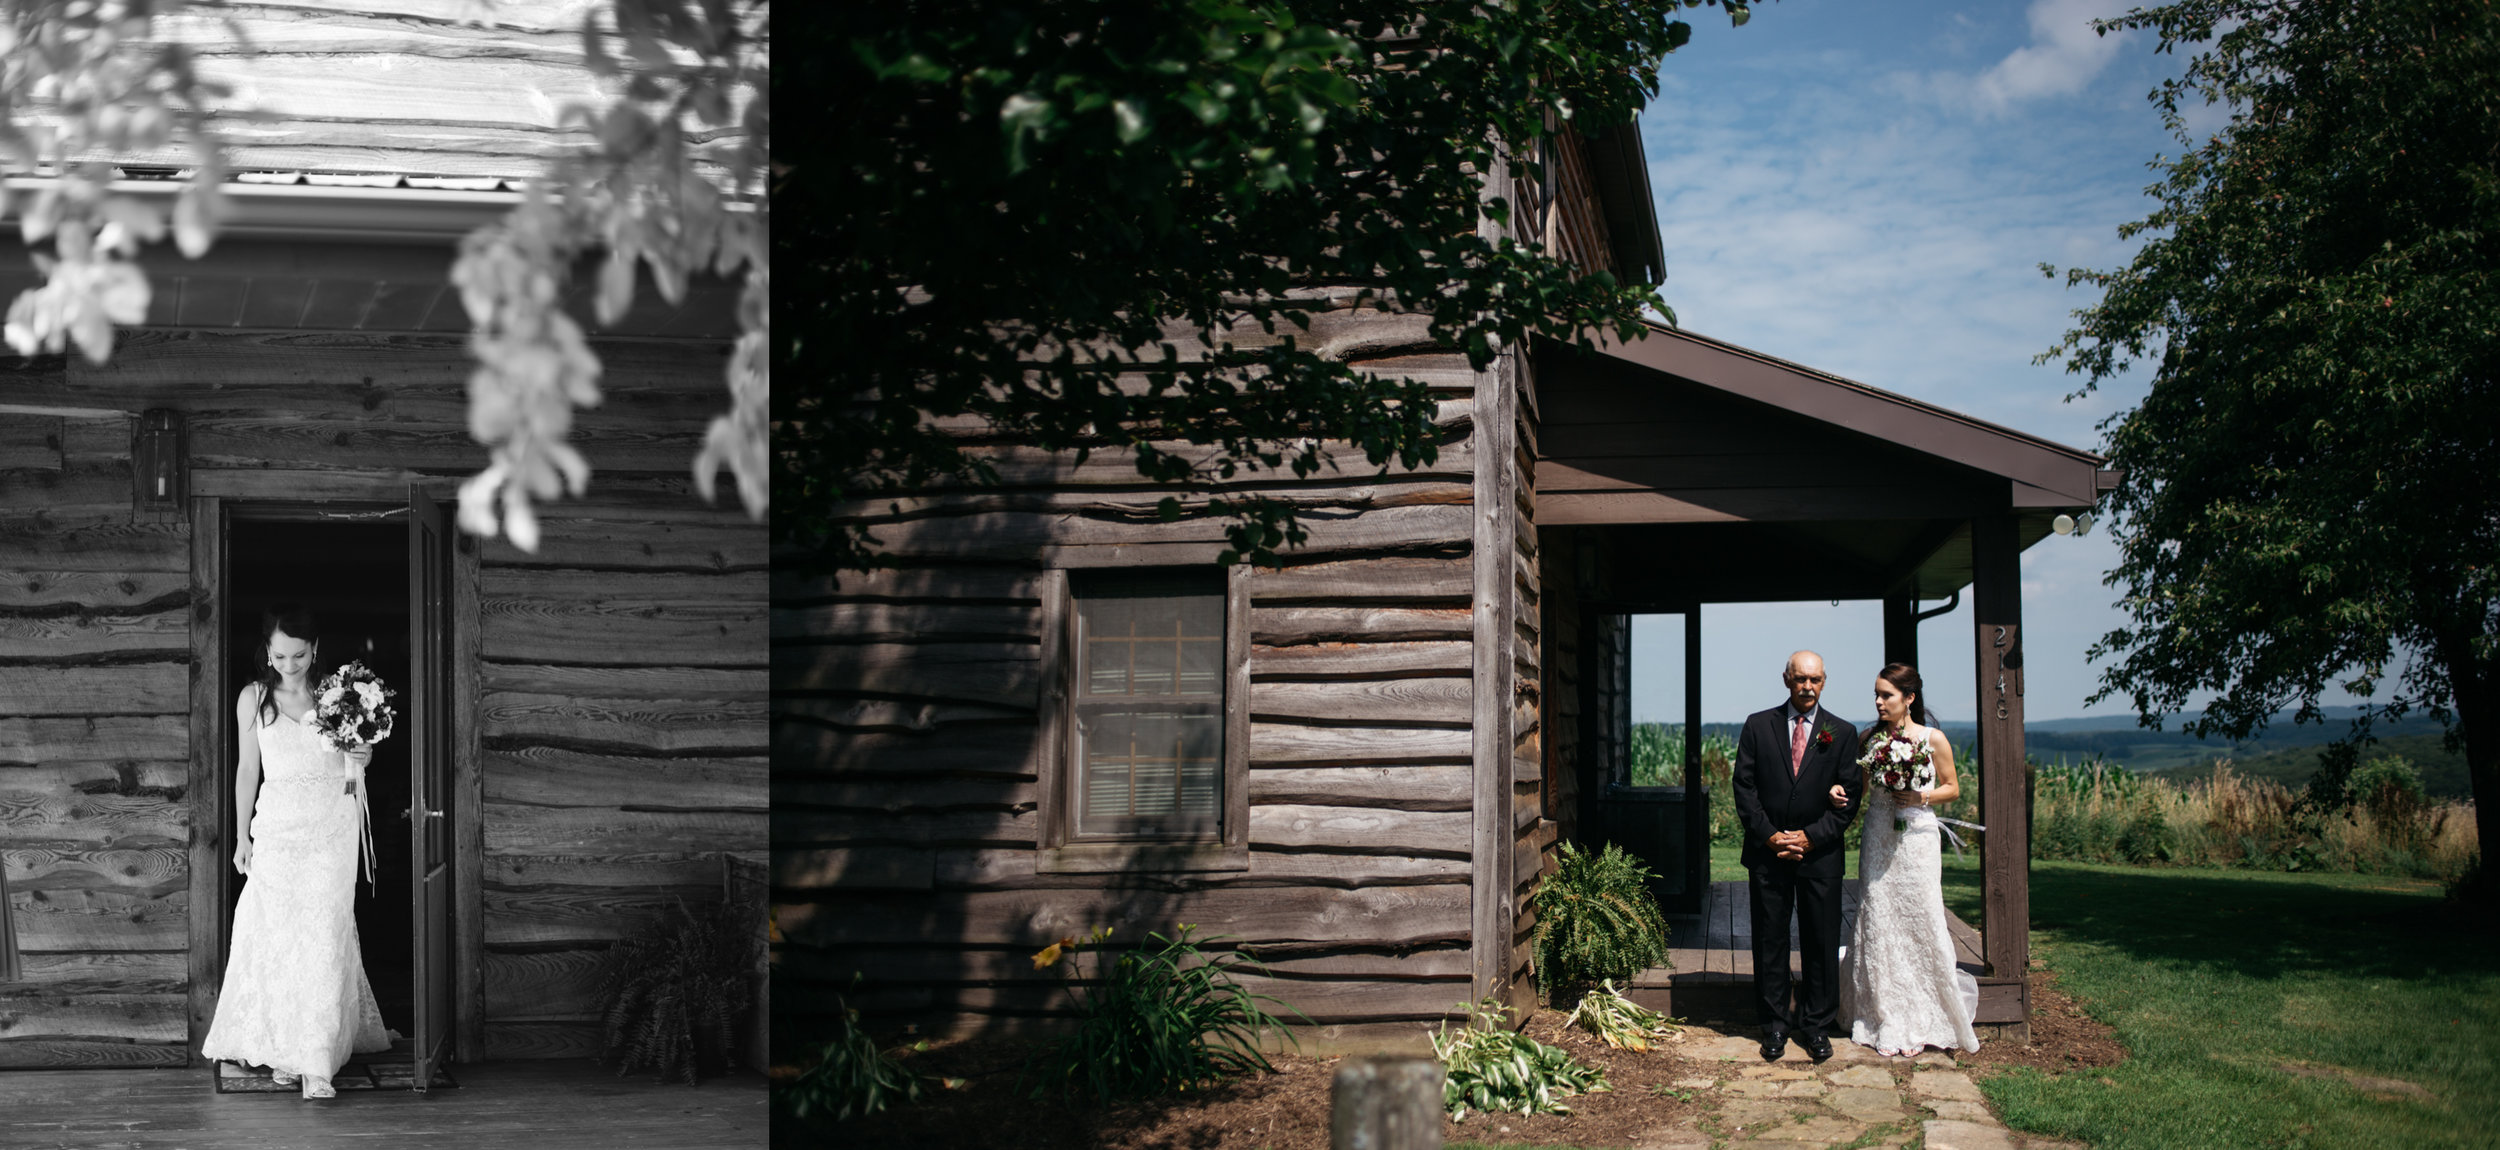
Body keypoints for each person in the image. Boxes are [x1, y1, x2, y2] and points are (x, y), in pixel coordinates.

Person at [200, 607, 394, 1099]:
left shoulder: (338, 696)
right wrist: (242, 836)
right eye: (280, 654)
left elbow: (352, 767)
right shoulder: (254, 698)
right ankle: (287, 1048)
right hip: (280, 829)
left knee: (323, 934)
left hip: (331, 828)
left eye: (299, 654)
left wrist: (362, 756)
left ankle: (316, 1062)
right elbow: (248, 770)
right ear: (268, 651)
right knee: (276, 934)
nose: (289, 663)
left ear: (314, 649)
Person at [1824, 662, 1980, 1056]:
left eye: (1886, 695)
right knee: (1878, 915)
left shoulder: (1933, 739)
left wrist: (1920, 797)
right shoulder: (1869, 740)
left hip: (1916, 839)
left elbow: (1952, 787)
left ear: (1909, 698)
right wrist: (1840, 794)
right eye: (1876, 694)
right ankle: (1879, 1011)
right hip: (1878, 836)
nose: (1878, 701)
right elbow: (1859, 790)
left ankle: (1925, 1012)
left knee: (1920, 915)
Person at [1729, 650, 1863, 1063]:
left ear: (1824, 682)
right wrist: (1770, 836)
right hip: (1768, 856)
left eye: (1816, 680)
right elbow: (1744, 787)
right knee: (1770, 941)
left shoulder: (1841, 731)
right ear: (1786, 679)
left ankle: (1817, 1026)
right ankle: (1773, 1025)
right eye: (1801, 679)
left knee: (1820, 943)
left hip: (1819, 858)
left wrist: (1808, 838)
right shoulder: (1758, 725)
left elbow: (1850, 796)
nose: (1808, 687)